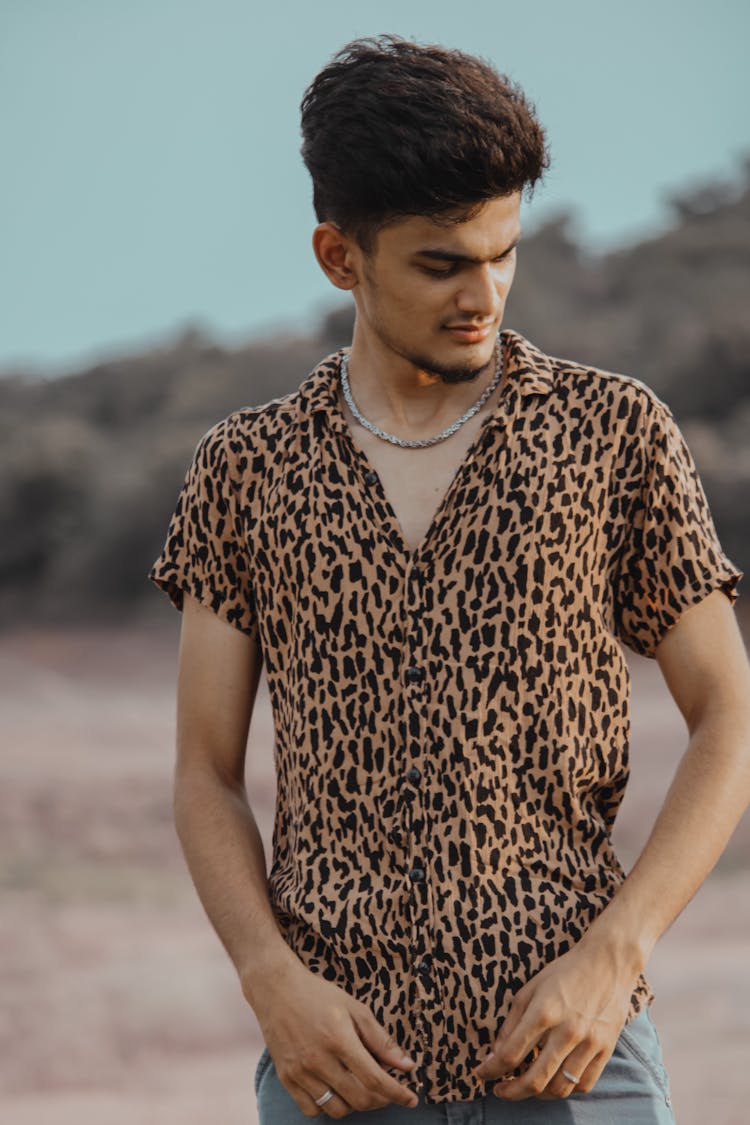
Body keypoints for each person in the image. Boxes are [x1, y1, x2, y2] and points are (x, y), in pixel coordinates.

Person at [148, 34, 750, 1124]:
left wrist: (618, 954)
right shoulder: (246, 470)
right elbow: (205, 772)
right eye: (443, 263)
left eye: (504, 252)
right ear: (341, 257)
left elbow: (729, 715)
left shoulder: (614, 435)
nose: (486, 293)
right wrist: (268, 979)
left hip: (574, 1056)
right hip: (338, 1065)